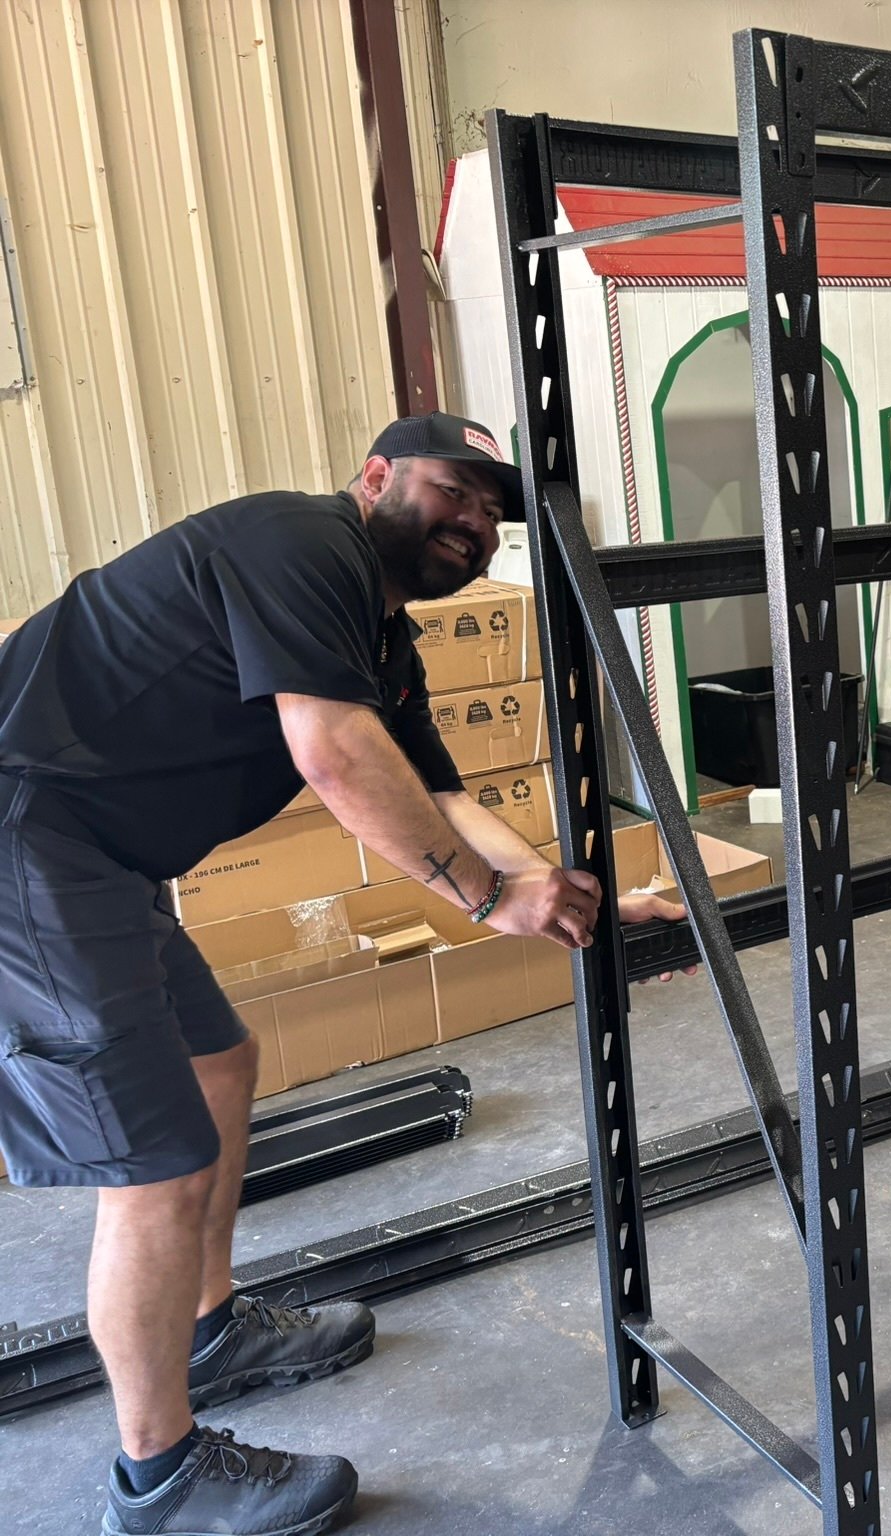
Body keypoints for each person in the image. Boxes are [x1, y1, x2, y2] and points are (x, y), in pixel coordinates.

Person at [0, 412, 685, 1536]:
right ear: (374, 478)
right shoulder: (301, 546)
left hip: (95, 854)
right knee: (157, 1166)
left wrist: (575, 901)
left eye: (491, 511)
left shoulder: (379, 640)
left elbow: (447, 799)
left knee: (220, 1064)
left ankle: (211, 1332)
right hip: (28, 836)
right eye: (453, 490)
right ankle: (159, 1480)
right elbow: (334, 757)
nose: (474, 522)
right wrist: (482, 899)